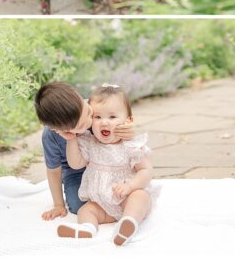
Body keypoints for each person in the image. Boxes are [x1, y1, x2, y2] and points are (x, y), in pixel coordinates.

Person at [58, 83, 159, 246]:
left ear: (128, 121)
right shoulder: (89, 143)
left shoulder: (130, 145)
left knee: (141, 197)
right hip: (101, 204)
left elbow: (146, 170)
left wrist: (131, 186)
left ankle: (128, 222)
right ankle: (88, 228)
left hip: (125, 198)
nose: (104, 123)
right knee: (86, 210)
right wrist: (71, 139)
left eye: (112, 117)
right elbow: (75, 164)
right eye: (98, 117)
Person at [34, 82, 135, 227]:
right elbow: (54, 171)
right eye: (80, 127)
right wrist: (58, 204)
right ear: (57, 129)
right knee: (77, 205)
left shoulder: (95, 106)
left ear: (81, 98)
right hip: (76, 172)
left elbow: (121, 116)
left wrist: (129, 131)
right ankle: (102, 212)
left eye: (88, 113)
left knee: (130, 191)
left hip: (108, 164)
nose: (89, 122)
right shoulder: (51, 137)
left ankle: (122, 207)